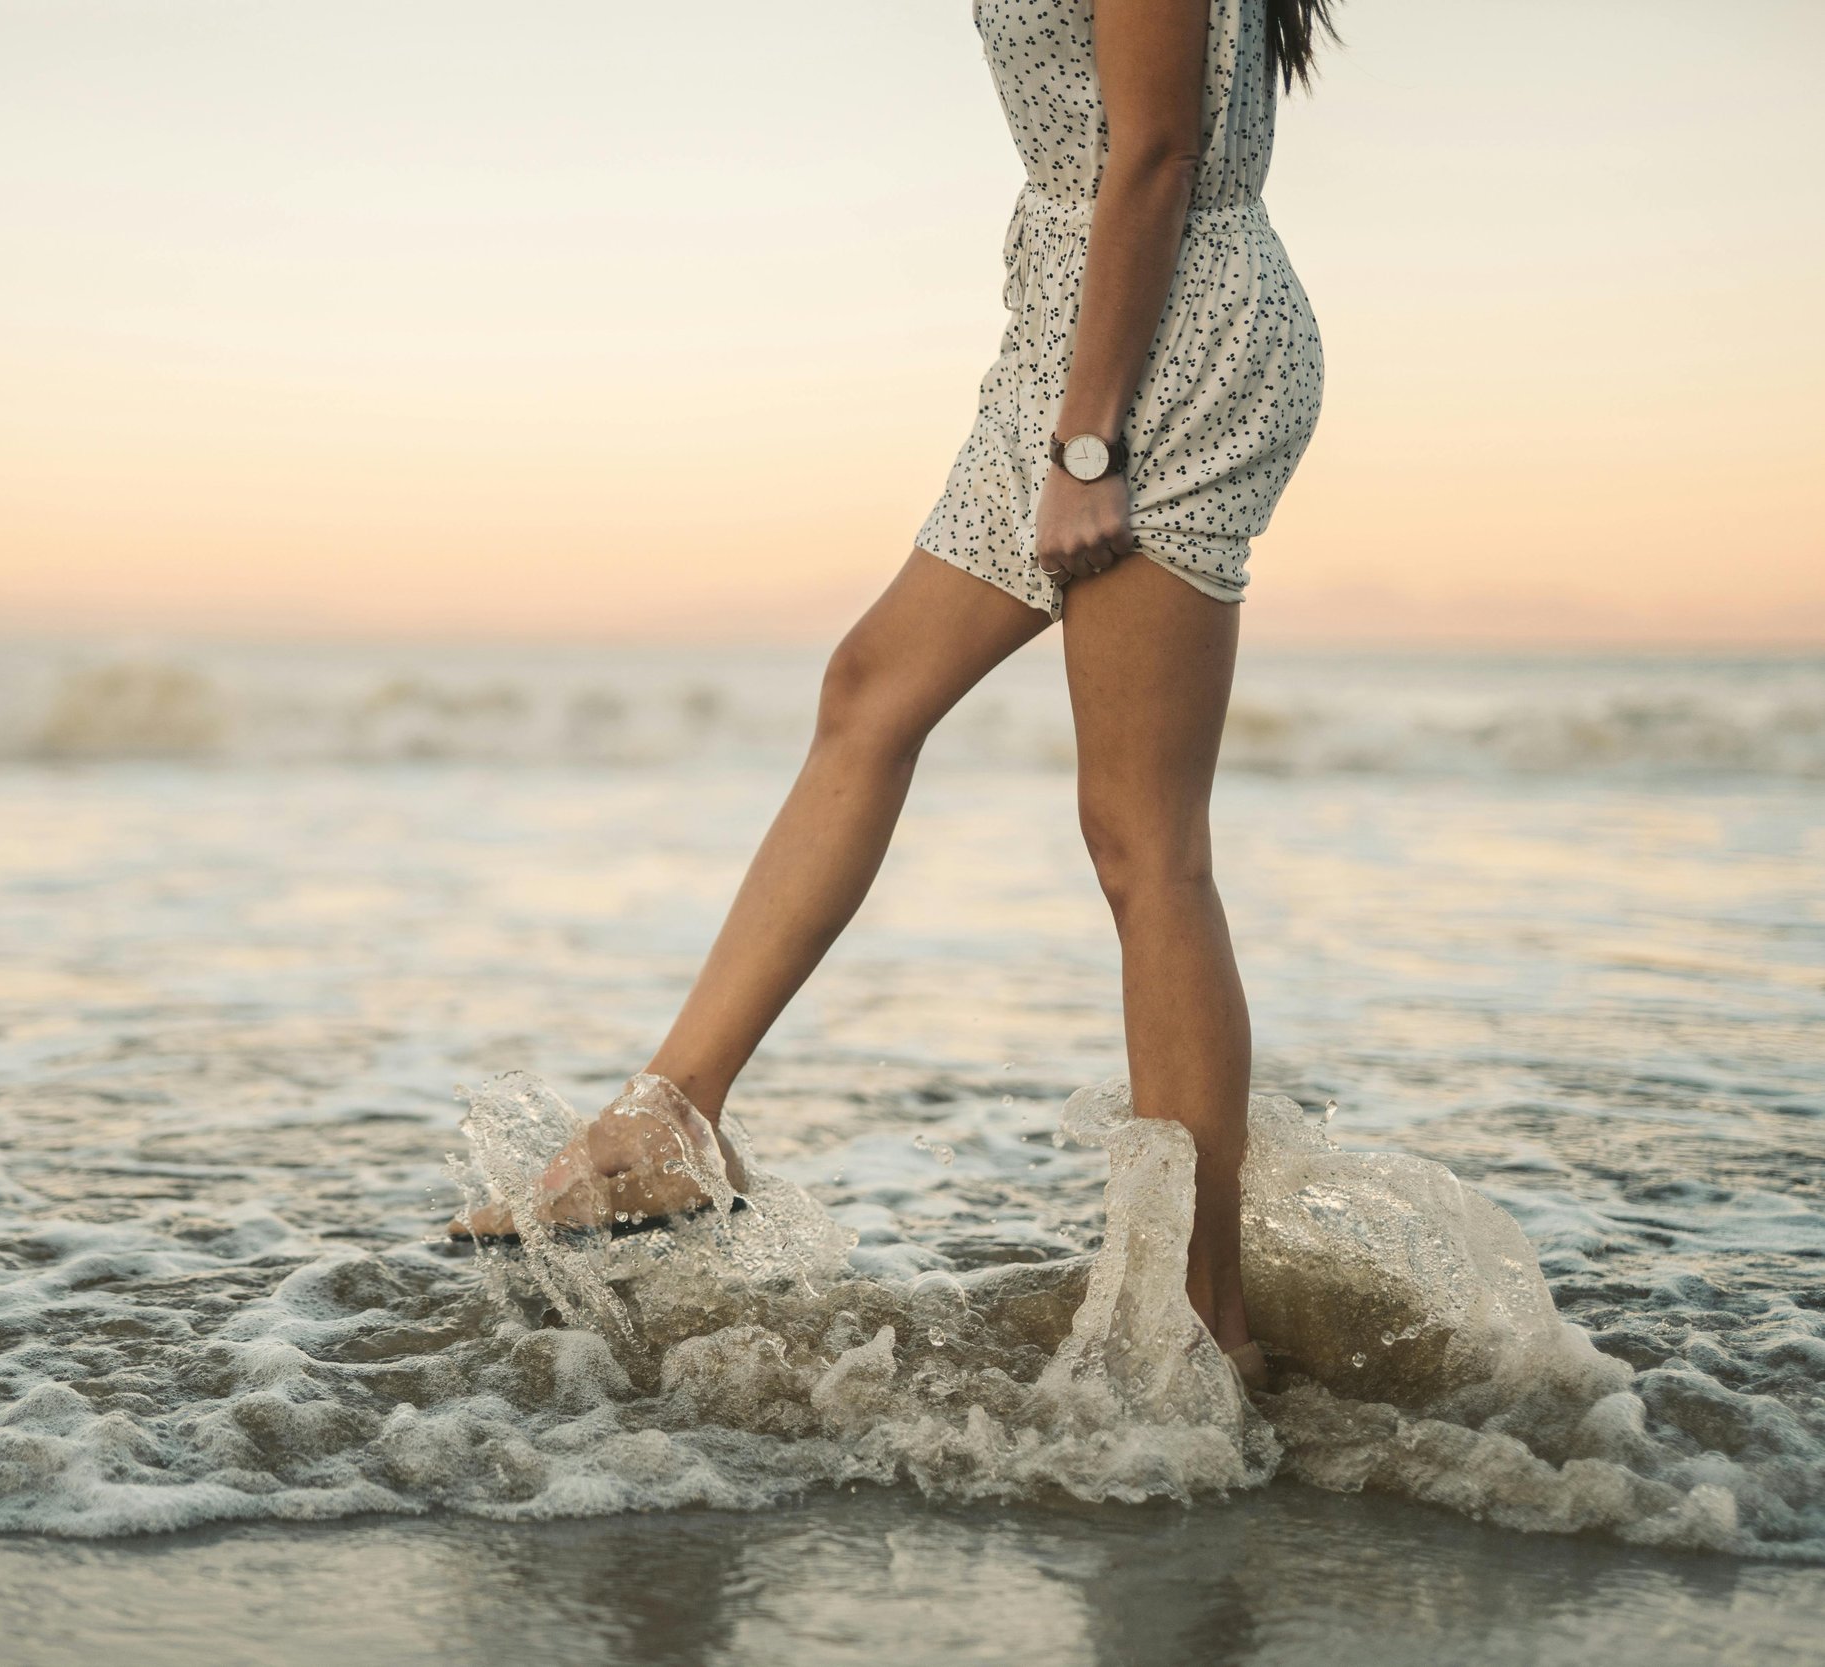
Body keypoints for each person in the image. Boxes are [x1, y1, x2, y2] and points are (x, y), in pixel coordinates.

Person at [450, 0, 1338, 1393]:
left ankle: (1203, 1314)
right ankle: (670, 1119)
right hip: (1086, 314)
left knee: (1144, 846)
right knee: (869, 693)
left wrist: (1090, 441)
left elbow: (1158, 149)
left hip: (1157, 336)